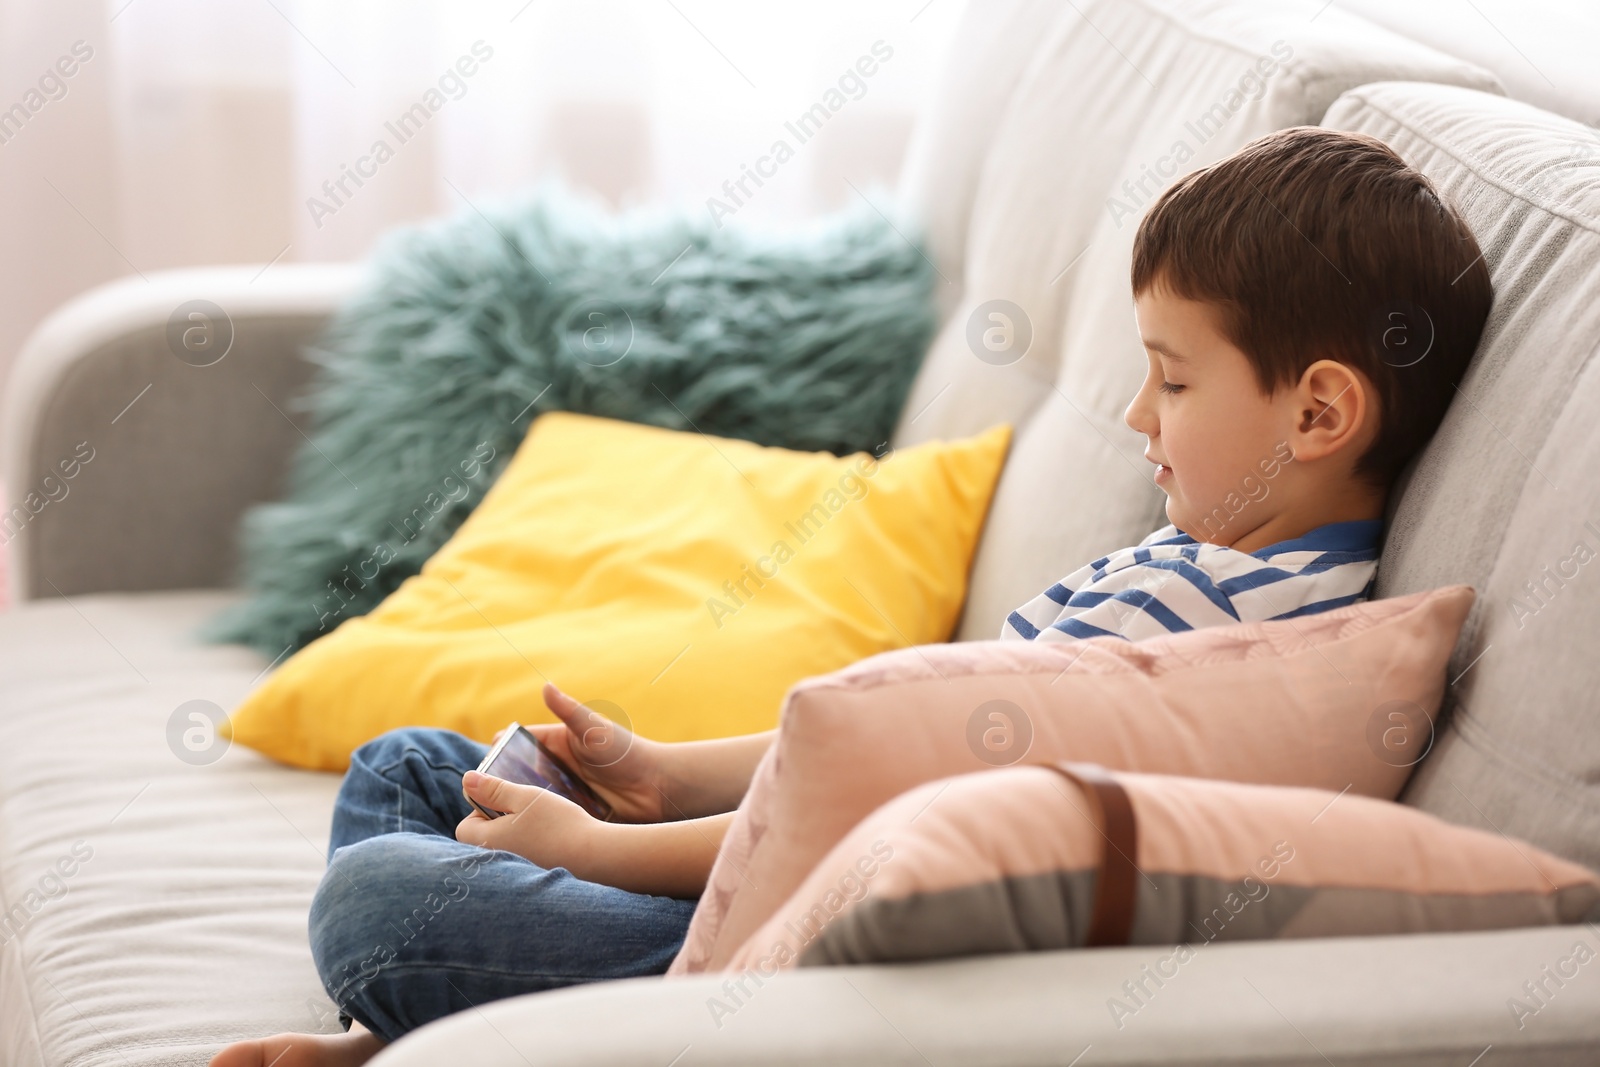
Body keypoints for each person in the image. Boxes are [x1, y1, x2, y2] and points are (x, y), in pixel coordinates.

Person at [210, 125, 1492, 1066]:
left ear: (1317, 409)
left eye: (1171, 378)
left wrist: (602, 846)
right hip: (735, 858)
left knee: (374, 892)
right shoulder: (1202, 570)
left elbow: (871, 828)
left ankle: (411, 1025)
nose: (1133, 414)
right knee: (408, 764)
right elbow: (880, 745)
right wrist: (663, 771)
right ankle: (404, 1033)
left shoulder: (1224, 644)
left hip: (753, 948)